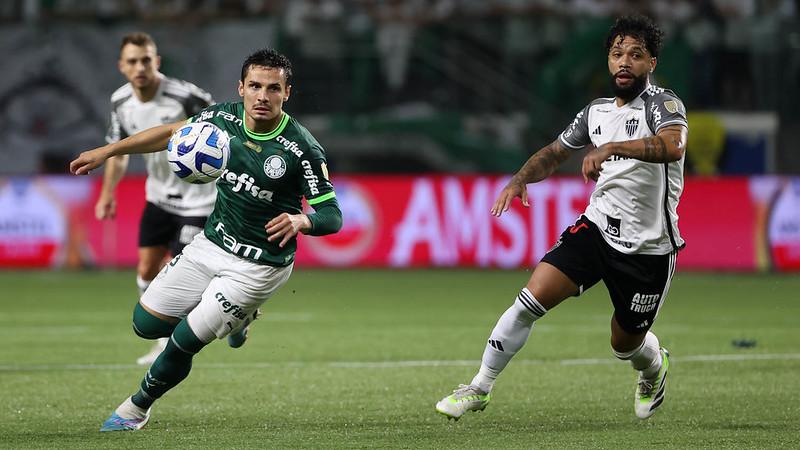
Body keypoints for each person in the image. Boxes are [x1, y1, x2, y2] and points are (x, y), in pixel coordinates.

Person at [71, 48, 342, 431]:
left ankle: (135, 409)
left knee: (184, 339)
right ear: (241, 88)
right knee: (144, 324)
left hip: (259, 266)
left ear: (287, 93)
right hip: (212, 243)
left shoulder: (302, 150)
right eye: (255, 86)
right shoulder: (222, 119)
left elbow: (332, 215)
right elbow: (171, 133)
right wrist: (109, 151)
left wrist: (303, 220)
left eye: (273, 88)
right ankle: (239, 319)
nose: (263, 96)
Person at [435, 15, 688, 421]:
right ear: (607, 60)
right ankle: (478, 387)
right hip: (598, 228)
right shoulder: (597, 112)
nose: (625, 62)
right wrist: (520, 179)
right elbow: (555, 152)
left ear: (652, 63)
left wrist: (611, 150)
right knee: (529, 300)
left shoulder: (663, 104)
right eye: (617, 53)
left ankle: (654, 366)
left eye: (636, 55)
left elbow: (672, 146)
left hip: (649, 247)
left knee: (625, 343)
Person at [96, 32, 216, 366]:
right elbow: (119, 152)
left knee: (184, 275)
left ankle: (227, 320)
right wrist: (108, 192)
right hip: (158, 198)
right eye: (133, 61)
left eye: (146, 59)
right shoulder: (120, 101)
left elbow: (222, 133)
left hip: (199, 202)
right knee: (147, 268)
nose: (140, 67)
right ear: (122, 66)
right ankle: (161, 341)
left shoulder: (187, 96)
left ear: (157, 61)